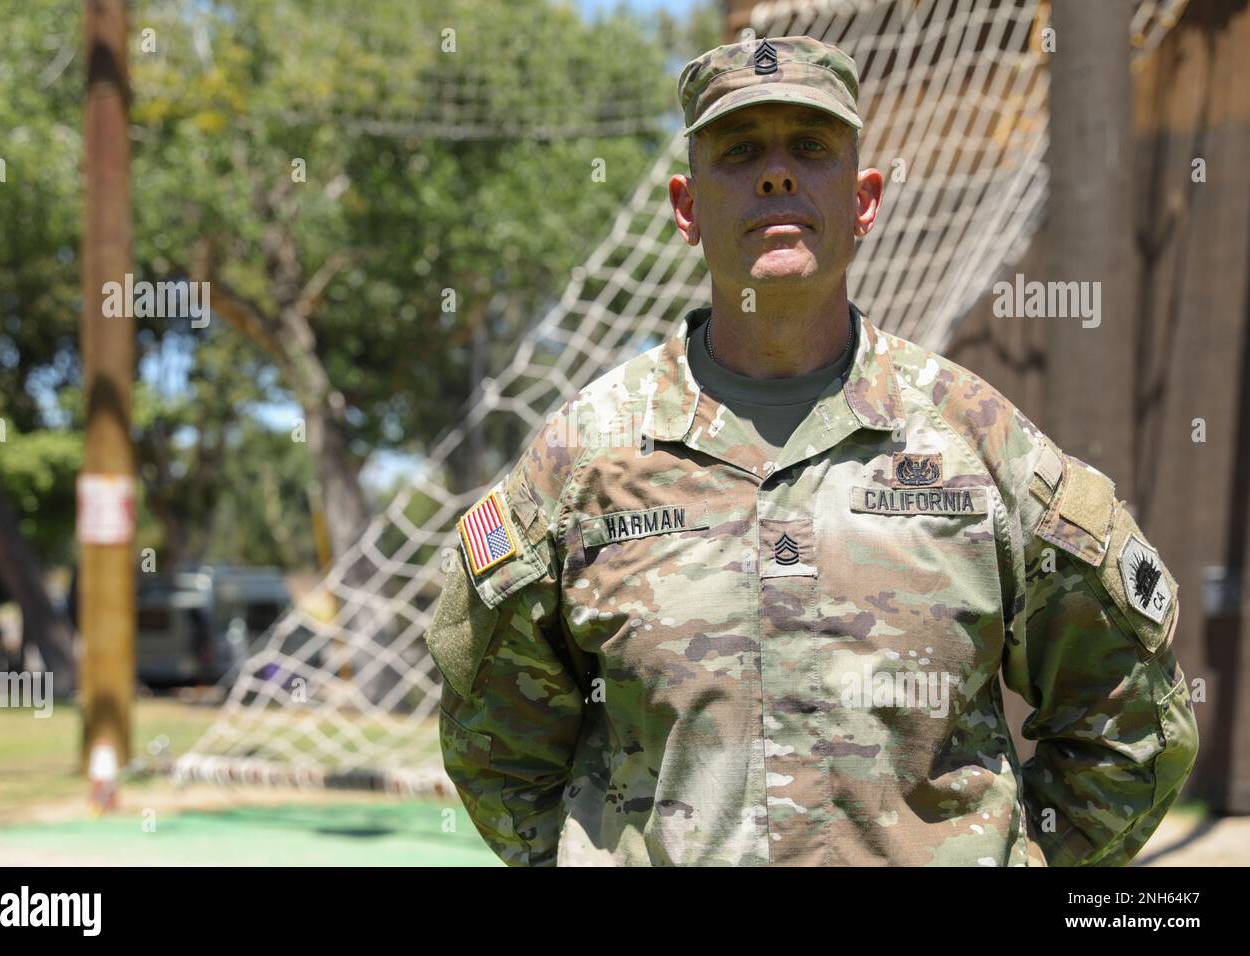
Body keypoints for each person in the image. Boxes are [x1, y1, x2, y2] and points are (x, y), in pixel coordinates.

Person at [424, 35, 1198, 866]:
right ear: (686, 208)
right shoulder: (584, 459)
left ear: (864, 200)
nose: (777, 173)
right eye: (741, 150)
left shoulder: (978, 441)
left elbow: (1129, 725)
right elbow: (497, 749)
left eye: (811, 147)